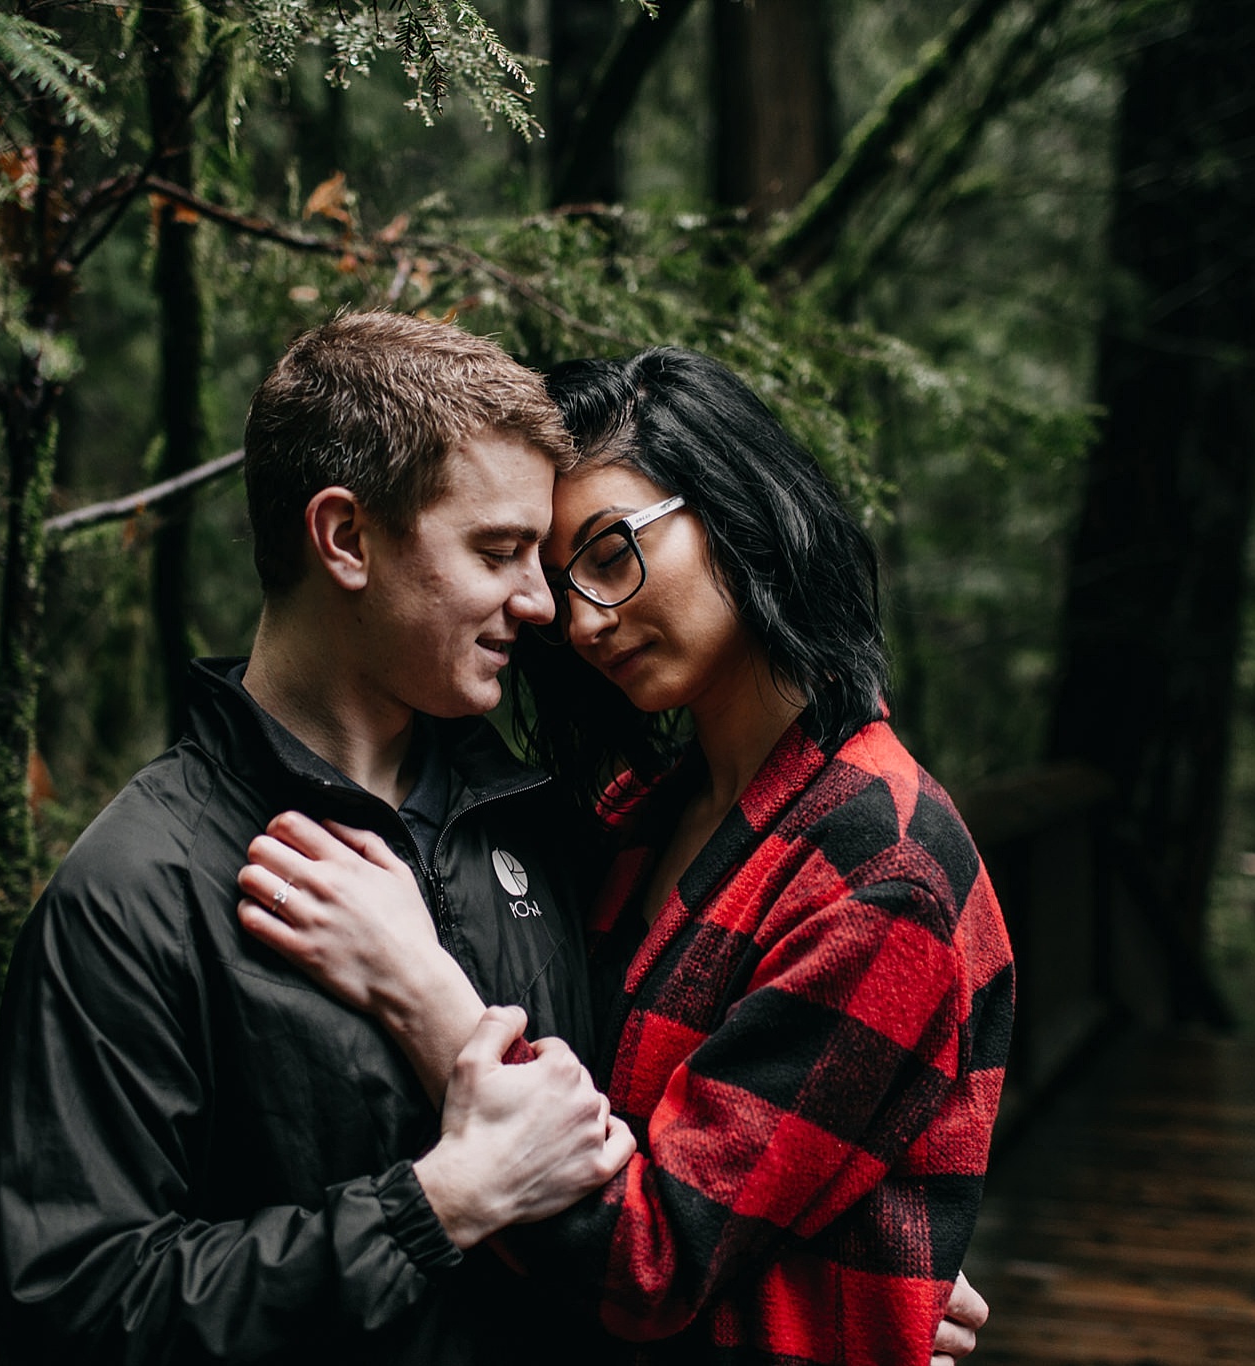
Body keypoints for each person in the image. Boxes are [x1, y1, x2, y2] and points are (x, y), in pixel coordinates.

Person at [239, 346, 1013, 1366]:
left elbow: (647, 1261)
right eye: (560, 582)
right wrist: (833, 1251)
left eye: (612, 552)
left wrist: (417, 987)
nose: (586, 620)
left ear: (736, 505)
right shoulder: (640, 816)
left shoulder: (883, 869)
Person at [0, 311, 638, 1366]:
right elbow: (78, 1304)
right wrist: (431, 1207)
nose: (537, 601)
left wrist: (824, 1278)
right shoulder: (138, 887)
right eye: (496, 550)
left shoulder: (531, 824)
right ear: (344, 538)